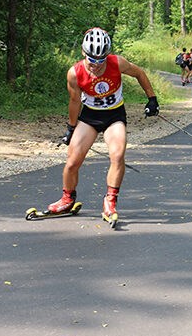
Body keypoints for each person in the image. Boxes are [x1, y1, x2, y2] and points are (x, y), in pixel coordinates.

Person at [47, 27, 159, 227]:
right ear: (84, 53)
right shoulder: (75, 73)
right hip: (89, 117)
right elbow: (74, 102)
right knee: (72, 162)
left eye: (101, 60)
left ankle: (110, 201)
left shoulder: (117, 63)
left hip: (114, 115)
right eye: (92, 60)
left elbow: (139, 73)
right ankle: (67, 199)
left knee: (117, 155)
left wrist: (152, 99)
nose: (96, 65)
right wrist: (71, 129)